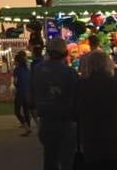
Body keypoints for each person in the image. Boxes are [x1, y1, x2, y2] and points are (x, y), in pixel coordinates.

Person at [77, 50, 117, 170]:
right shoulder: (116, 85)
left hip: (91, 143)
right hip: (116, 144)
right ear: (107, 64)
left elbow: (73, 112)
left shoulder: (81, 86)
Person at [31, 37, 78, 170]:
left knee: (49, 158)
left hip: (45, 120)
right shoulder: (69, 73)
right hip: (65, 122)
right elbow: (76, 97)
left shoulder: (37, 70)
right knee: (67, 161)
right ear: (64, 53)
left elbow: (32, 95)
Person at [13, 51, 32, 136]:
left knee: (17, 111)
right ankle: (28, 127)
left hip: (20, 92)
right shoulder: (27, 69)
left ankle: (26, 128)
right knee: (26, 110)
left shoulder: (16, 70)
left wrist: (15, 86)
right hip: (27, 92)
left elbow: (15, 81)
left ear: (17, 61)